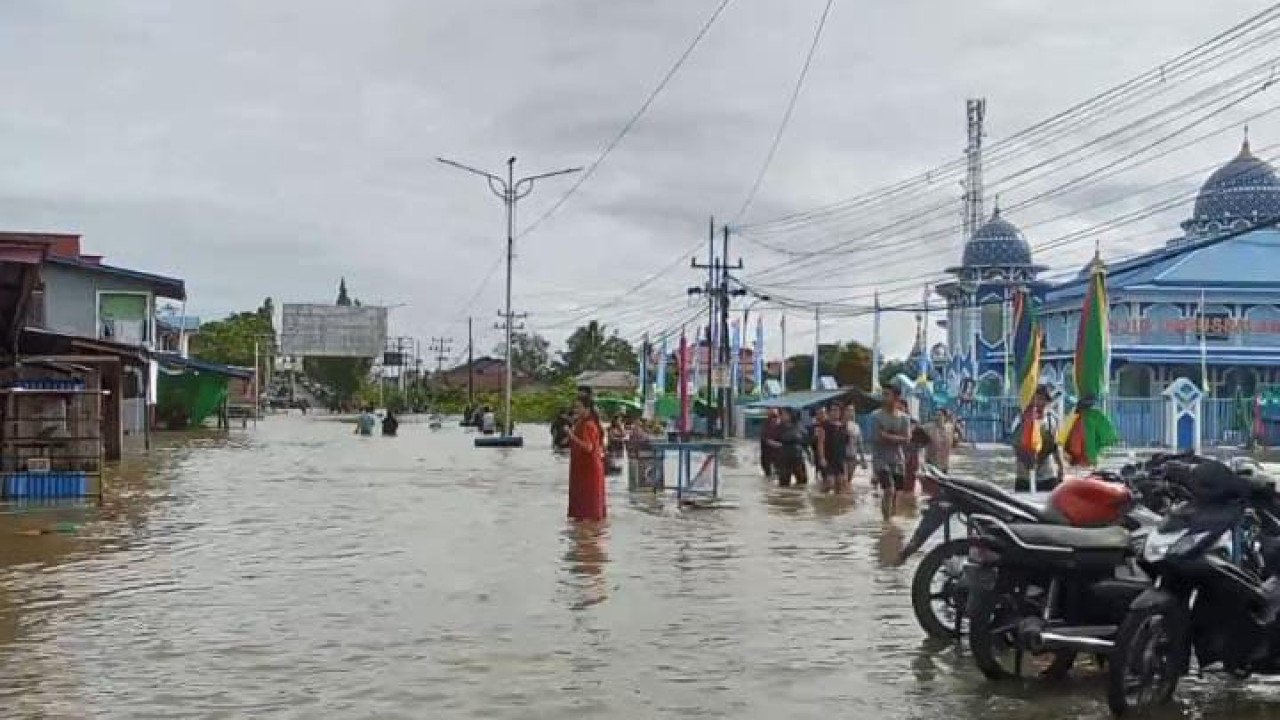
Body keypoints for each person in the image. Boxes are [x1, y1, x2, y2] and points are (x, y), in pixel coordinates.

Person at [870, 385, 912, 520]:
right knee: (889, 490)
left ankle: (891, 521)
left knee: (896, 494)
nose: (884, 397)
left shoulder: (904, 418)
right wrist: (896, 437)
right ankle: (886, 522)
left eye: (887, 394)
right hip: (880, 459)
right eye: (883, 394)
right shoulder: (876, 416)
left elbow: (907, 439)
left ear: (896, 397)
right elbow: (877, 438)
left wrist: (887, 436)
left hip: (898, 460)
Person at [1014, 384, 1066, 492]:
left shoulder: (1052, 420)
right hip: (1024, 477)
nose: (1038, 403)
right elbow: (1016, 446)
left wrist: (1061, 469)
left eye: (1042, 399)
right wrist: (1030, 462)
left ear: (1047, 402)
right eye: (1035, 399)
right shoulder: (1021, 419)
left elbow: (1057, 447)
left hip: (1047, 476)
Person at [566, 396, 607, 521]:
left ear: (587, 409)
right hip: (583, 468)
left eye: (579, 407)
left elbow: (588, 447)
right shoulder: (582, 423)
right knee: (582, 508)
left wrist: (571, 436)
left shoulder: (588, 425)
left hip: (588, 469)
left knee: (588, 508)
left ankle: (588, 535)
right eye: (575, 407)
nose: (576, 410)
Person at [768, 409, 809, 488]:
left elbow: (805, 440)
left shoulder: (798, 426)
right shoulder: (779, 426)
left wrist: (808, 454)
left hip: (797, 457)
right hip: (784, 457)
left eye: (784, 414)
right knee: (784, 482)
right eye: (782, 414)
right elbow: (769, 440)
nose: (782, 416)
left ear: (790, 415)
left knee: (802, 481)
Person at [819, 404, 851, 494]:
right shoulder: (824, 425)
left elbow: (846, 444)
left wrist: (845, 461)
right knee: (829, 483)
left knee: (840, 485)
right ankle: (820, 498)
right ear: (829, 412)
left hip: (840, 459)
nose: (836, 412)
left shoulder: (843, 426)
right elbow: (820, 443)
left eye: (837, 410)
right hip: (828, 458)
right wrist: (821, 458)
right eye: (833, 410)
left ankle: (836, 505)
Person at [841, 404, 865, 492]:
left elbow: (860, 443)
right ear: (844, 412)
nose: (851, 413)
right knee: (844, 480)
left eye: (852, 411)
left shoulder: (856, 426)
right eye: (849, 410)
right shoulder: (839, 425)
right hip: (842, 457)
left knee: (849, 480)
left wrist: (862, 459)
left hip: (852, 456)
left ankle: (847, 499)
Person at [759, 408, 781, 478]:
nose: (774, 419)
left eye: (775, 417)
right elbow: (764, 438)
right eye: (772, 417)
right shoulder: (766, 425)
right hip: (767, 455)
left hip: (778, 456)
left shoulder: (782, 426)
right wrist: (771, 442)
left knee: (777, 473)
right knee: (768, 474)